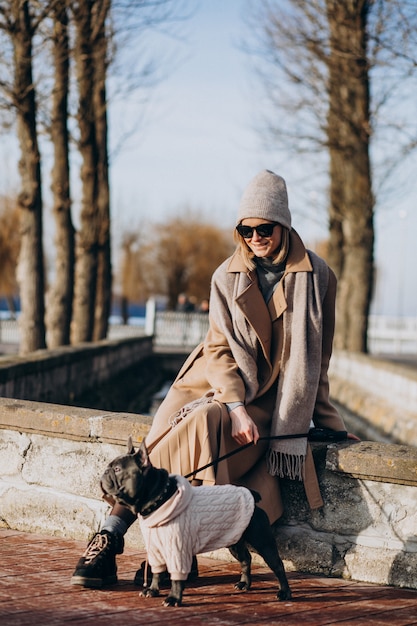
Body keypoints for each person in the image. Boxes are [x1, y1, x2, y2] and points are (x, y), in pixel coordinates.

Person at [71, 169, 358, 588]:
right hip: (211, 380)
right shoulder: (226, 275)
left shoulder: (318, 277)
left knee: (205, 426)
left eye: (265, 228)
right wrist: (235, 406)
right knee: (168, 441)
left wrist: (332, 428)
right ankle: (109, 539)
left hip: (265, 399)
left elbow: (317, 360)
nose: (255, 237)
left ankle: (165, 551)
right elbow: (219, 349)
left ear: (284, 225)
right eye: (246, 229)